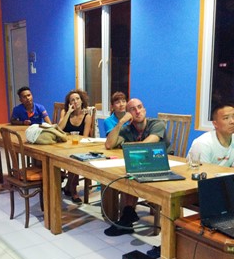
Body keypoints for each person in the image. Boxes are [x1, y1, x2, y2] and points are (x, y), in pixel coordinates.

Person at [104, 98, 169, 236]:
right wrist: (121, 122)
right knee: (129, 173)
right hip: (141, 165)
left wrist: (127, 146)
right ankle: (127, 216)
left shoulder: (157, 124)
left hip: (163, 165)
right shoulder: (127, 129)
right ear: (128, 114)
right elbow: (109, 144)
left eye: (140, 107)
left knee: (133, 172)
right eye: (133, 109)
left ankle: (126, 217)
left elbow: (146, 145)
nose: (138, 111)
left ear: (144, 109)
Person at [58, 89, 94, 204]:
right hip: (63, 147)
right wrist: (68, 112)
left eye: (77, 99)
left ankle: (72, 189)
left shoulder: (87, 116)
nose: (75, 101)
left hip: (79, 147)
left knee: (76, 159)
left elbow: (85, 136)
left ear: (82, 101)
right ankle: (69, 187)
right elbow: (59, 129)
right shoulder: (65, 112)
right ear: (69, 103)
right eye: (72, 100)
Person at [188, 104, 234, 169]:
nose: (232, 121)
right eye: (226, 118)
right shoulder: (203, 143)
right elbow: (201, 174)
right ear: (215, 124)